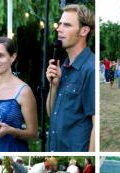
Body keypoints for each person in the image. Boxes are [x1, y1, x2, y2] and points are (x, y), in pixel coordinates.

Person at [46, 4, 95, 152]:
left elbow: (96, 126)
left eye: (66, 25)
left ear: (84, 30)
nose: (59, 29)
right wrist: (54, 86)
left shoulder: (90, 69)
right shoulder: (63, 67)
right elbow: (52, 114)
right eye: (60, 24)